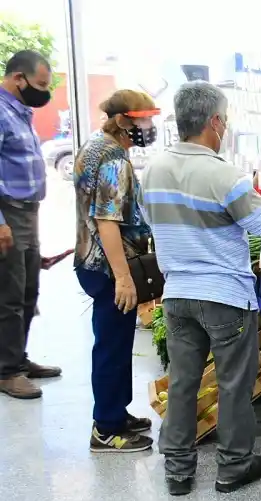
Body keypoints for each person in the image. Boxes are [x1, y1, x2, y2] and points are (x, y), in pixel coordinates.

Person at [140, 81, 261, 496]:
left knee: (183, 381)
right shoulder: (224, 174)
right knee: (233, 384)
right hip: (225, 295)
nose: (224, 127)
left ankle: (177, 470)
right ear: (213, 121)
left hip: (176, 295)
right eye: (224, 120)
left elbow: (151, 219)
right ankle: (233, 466)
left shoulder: (153, 170)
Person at [73, 89, 160, 452]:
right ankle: (105, 429)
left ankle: (115, 412)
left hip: (92, 260)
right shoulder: (113, 159)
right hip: (109, 267)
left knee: (117, 341)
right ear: (125, 121)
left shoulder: (95, 144)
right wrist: (123, 277)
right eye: (144, 120)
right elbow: (107, 219)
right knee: (111, 345)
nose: (149, 126)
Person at [0, 50, 62, 400]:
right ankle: (6, 372)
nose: (44, 92)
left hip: (26, 212)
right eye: (40, 85)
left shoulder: (19, 112)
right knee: (9, 296)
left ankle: (17, 359)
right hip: (7, 211)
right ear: (18, 78)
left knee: (27, 291)